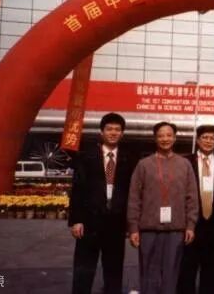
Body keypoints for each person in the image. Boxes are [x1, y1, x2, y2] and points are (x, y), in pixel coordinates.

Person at [68, 112, 137, 294]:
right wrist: (76, 220)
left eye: (117, 129)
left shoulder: (129, 158)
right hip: (89, 222)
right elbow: (78, 189)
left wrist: (132, 225)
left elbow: (134, 192)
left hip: (116, 222)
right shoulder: (86, 156)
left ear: (122, 133)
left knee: (114, 269)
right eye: (109, 129)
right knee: (84, 268)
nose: (113, 133)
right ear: (101, 132)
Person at [127, 121, 199, 294]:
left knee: (171, 275)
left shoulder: (184, 164)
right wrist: (133, 228)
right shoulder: (144, 164)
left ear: (174, 138)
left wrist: (190, 225)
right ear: (155, 138)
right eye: (160, 135)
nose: (165, 139)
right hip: (148, 229)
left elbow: (192, 197)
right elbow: (134, 198)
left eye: (168, 135)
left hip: (176, 229)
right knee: (148, 275)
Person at [177, 125, 214, 294]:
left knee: (212, 269)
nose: (208, 141)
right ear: (198, 140)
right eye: (205, 138)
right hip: (192, 223)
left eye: (212, 138)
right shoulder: (186, 162)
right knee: (187, 267)